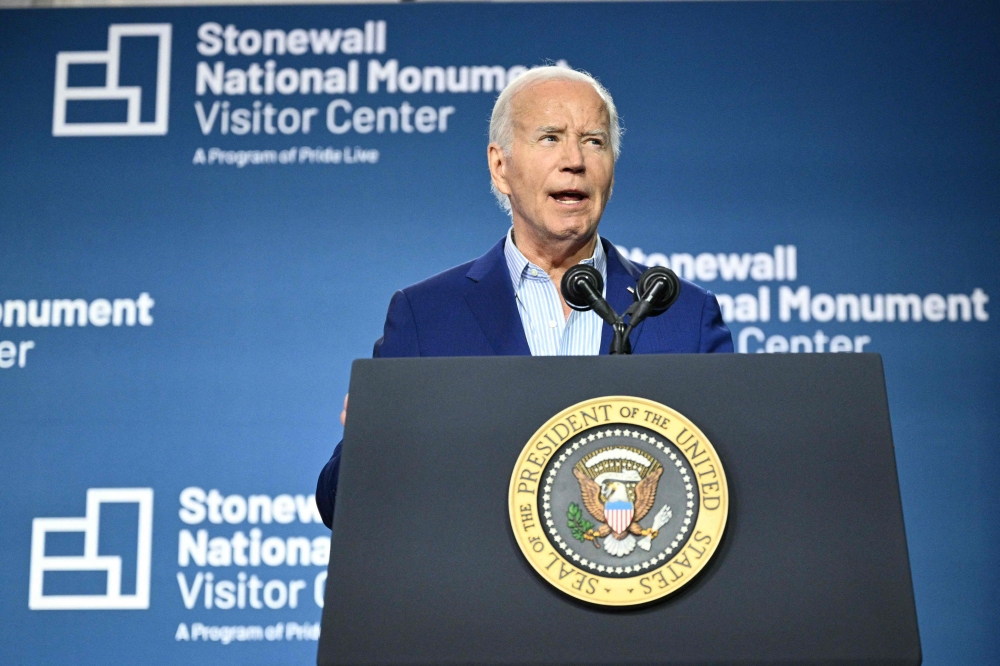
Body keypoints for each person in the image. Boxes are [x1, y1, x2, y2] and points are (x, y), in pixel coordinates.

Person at [317, 66, 732, 528]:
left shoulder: (681, 314)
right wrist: (368, 443)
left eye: (594, 141)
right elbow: (342, 508)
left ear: (612, 171)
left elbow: (731, 487)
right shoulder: (426, 318)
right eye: (550, 138)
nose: (574, 159)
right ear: (500, 167)